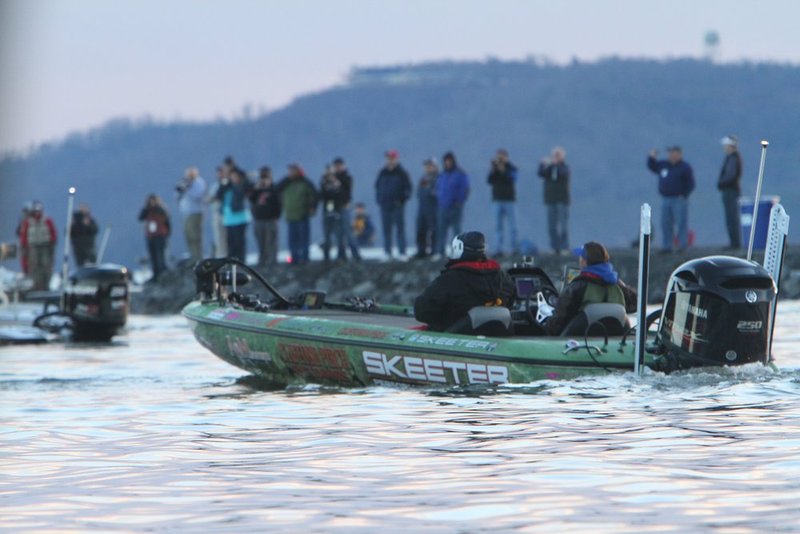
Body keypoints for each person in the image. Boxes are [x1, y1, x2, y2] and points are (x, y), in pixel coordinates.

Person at [415, 231, 515, 332]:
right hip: (499, 332)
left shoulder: (449, 280)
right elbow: (511, 302)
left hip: (457, 334)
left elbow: (422, 312)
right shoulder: (503, 277)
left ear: (458, 250)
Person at [545, 242, 637, 336]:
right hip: (615, 341)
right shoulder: (618, 286)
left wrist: (546, 324)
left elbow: (557, 324)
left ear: (584, 262)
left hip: (581, 342)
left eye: (581, 257)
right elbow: (636, 304)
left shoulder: (576, 287)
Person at [647, 146, 695, 253]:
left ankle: (683, 245)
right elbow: (652, 167)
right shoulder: (663, 165)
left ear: (679, 154)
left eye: (674, 153)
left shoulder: (685, 167)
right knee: (666, 223)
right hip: (666, 198)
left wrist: (684, 194)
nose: (671, 155)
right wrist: (652, 157)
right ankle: (667, 246)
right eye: (670, 153)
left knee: (681, 223)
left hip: (679, 199)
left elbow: (690, 183)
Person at [375, 149, 412, 260]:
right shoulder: (382, 173)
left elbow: (408, 189)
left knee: (400, 229)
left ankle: (402, 252)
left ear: (396, 159)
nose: (390, 160)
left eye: (392, 158)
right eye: (388, 158)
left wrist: (401, 200)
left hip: (397, 206)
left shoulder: (402, 173)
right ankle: (387, 252)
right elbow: (377, 187)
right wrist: (379, 200)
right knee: (386, 230)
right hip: (385, 205)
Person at [278, 163, 318, 265]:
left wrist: (312, 208)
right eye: (290, 171)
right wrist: (286, 179)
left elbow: (315, 195)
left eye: (293, 170)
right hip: (290, 216)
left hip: (302, 215)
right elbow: (276, 189)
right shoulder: (286, 183)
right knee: (292, 239)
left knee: (303, 239)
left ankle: (304, 257)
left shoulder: (305, 182)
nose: (291, 172)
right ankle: (294, 257)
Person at [433, 152, 470, 259]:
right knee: (441, 230)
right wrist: (439, 200)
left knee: (456, 231)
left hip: (455, 207)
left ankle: (458, 252)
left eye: (449, 161)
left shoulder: (460, 174)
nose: (447, 163)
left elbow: (465, 189)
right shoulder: (442, 175)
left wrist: (459, 201)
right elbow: (438, 188)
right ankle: (440, 252)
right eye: (446, 161)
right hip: (442, 207)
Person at [537, 146, 570, 255]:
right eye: (555, 155)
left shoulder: (565, 167)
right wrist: (544, 164)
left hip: (562, 200)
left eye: (558, 155)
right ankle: (554, 247)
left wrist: (555, 164)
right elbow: (540, 173)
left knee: (563, 226)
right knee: (551, 226)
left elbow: (562, 173)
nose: (556, 157)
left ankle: (564, 247)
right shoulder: (549, 168)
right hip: (550, 200)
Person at [215, 168, 252, 262]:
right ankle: (231, 261)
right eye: (231, 176)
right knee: (230, 243)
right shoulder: (227, 187)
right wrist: (224, 184)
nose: (233, 178)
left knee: (239, 242)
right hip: (228, 219)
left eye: (235, 176)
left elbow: (240, 193)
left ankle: (241, 261)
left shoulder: (241, 186)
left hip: (240, 219)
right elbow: (218, 195)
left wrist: (238, 181)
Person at [487, 148, 519, 257]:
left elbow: (512, 179)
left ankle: (514, 248)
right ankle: (498, 249)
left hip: (509, 200)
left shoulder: (511, 167)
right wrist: (493, 170)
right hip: (497, 200)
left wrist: (503, 170)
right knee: (498, 227)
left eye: (502, 157)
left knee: (513, 226)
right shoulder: (494, 168)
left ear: (506, 157)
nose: (500, 159)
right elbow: (489, 180)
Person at [19, 201, 57, 291]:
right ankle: (36, 285)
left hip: (45, 246)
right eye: (35, 211)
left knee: (46, 265)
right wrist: (24, 246)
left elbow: (53, 232)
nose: (37, 213)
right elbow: (24, 235)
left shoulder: (47, 220)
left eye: (39, 211)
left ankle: (46, 284)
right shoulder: (28, 222)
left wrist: (52, 243)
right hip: (33, 247)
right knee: (34, 266)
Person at [250, 166, 282, 267]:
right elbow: (251, 199)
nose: (263, 180)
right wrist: (256, 189)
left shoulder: (274, 189)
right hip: (259, 219)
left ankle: (272, 261)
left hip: (270, 219)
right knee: (261, 241)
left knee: (271, 241)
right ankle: (262, 259)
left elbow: (279, 204)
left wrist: (276, 216)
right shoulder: (257, 189)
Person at [332, 157, 361, 261]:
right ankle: (341, 254)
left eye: (339, 165)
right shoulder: (331, 179)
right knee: (338, 233)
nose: (338, 167)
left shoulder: (347, 178)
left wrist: (337, 183)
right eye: (336, 166)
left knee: (348, 231)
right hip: (335, 208)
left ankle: (355, 253)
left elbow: (347, 192)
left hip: (345, 206)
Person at [176, 166, 207, 263]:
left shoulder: (199, 183)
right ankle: (193, 256)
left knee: (195, 236)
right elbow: (178, 194)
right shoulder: (184, 183)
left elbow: (197, 196)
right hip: (186, 213)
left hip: (196, 212)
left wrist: (188, 188)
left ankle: (198, 257)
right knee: (188, 236)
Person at [718, 135, 743, 249]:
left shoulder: (733, 158)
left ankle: (735, 243)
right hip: (730, 190)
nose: (724, 147)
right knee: (731, 217)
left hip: (730, 191)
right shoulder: (732, 158)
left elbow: (730, 175)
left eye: (726, 145)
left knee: (732, 217)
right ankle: (734, 242)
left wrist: (721, 183)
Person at [138, 194, 170, 282]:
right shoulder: (147, 210)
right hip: (151, 236)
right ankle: (155, 274)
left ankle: (163, 274)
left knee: (161, 256)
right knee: (153, 257)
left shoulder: (161, 209)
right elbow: (140, 217)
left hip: (160, 235)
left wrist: (156, 206)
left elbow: (166, 218)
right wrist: (147, 208)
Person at [415, 157, 438, 259]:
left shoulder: (438, 178)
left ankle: (434, 251)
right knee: (421, 230)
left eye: (430, 166)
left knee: (434, 230)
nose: (428, 168)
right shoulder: (423, 179)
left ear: (435, 167)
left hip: (433, 208)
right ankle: (421, 251)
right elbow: (419, 192)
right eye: (426, 166)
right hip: (422, 208)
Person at [207, 166, 228, 257]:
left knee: (228, 237)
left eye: (221, 173)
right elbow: (210, 199)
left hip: (227, 214)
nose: (220, 175)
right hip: (216, 213)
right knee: (218, 237)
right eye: (218, 173)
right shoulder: (215, 186)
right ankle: (220, 256)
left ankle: (228, 256)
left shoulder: (228, 184)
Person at [16, 202, 32, 275]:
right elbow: (18, 231)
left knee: (30, 258)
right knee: (24, 257)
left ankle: (30, 272)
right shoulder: (22, 219)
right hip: (23, 242)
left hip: (30, 242)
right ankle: (25, 272)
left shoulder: (31, 220)